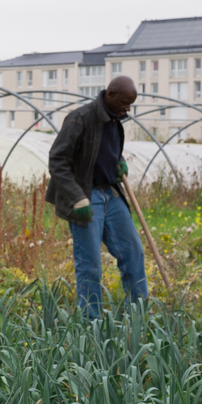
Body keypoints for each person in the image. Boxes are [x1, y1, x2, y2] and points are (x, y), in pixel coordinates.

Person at [46, 76, 147, 318]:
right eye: (124, 102)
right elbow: (57, 160)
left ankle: (139, 318)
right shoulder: (79, 119)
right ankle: (91, 326)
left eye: (131, 104)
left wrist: (118, 162)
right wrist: (76, 198)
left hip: (110, 195)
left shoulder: (115, 119)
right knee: (90, 265)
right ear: (110, 94)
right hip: (85, 196)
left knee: (133, 252)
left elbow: (104, 150)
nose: (127, 109)